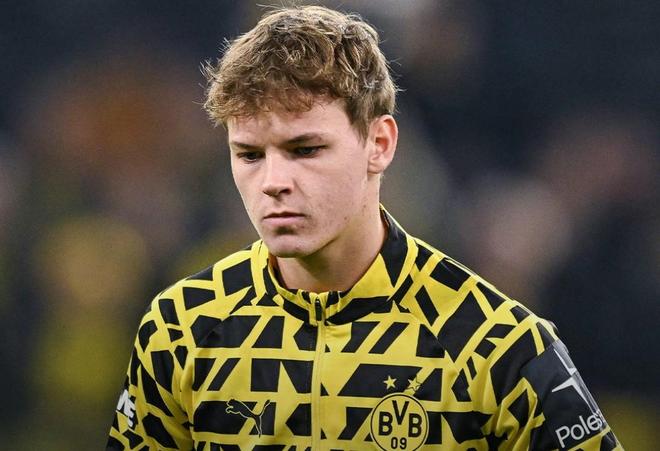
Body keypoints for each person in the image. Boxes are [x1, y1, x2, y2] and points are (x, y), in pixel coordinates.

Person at [107, 5, 621, 450]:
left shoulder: (498, 345)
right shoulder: (182, 328)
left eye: (306, 149)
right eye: (249, 154)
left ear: (379, 145)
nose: (274, 182)